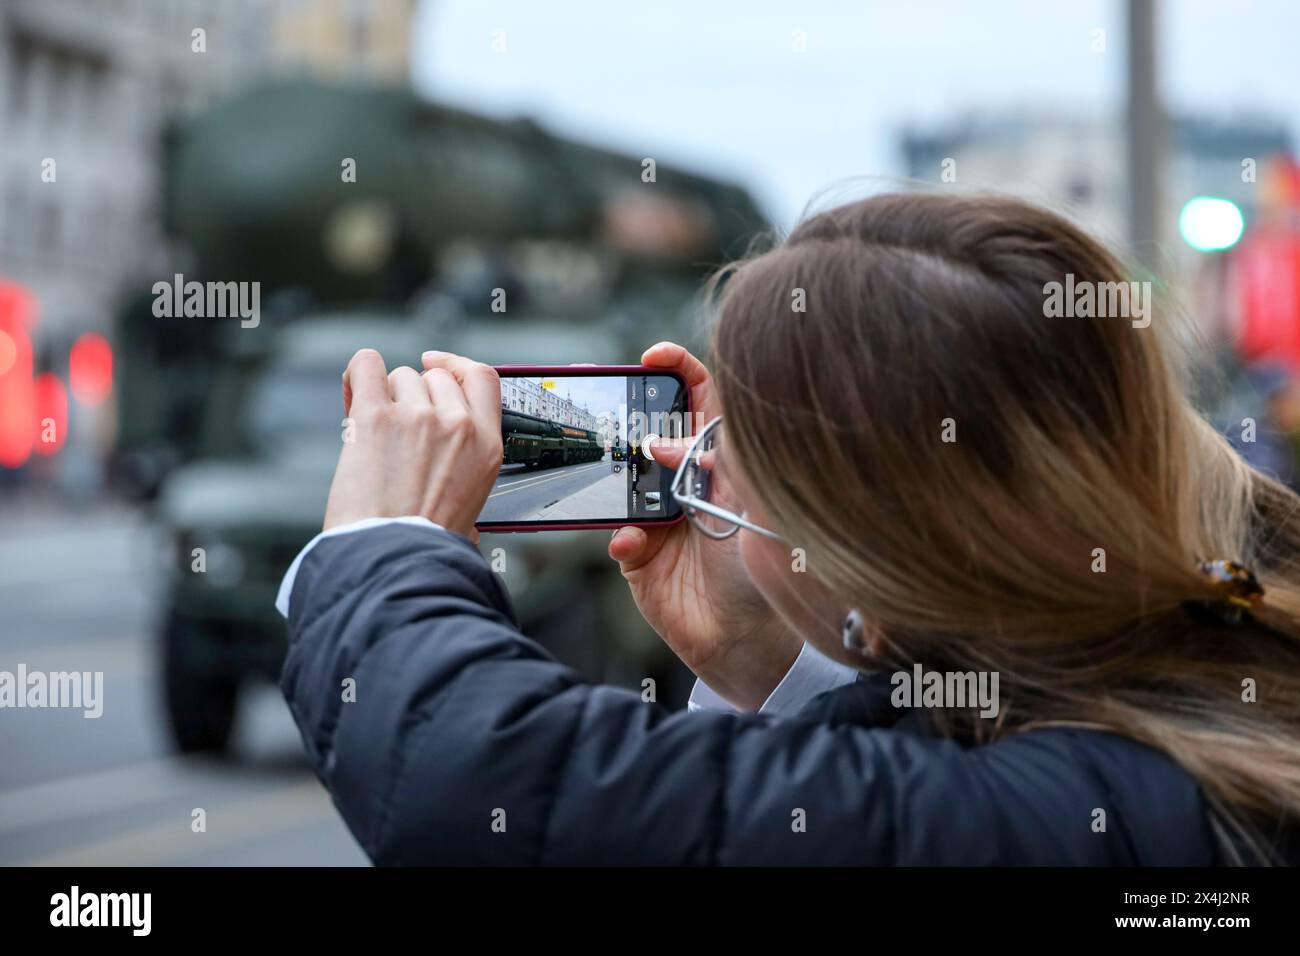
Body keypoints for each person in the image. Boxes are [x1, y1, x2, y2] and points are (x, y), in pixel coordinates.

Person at [277, 192, 1300, 865]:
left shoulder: (1088, 815)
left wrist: (381, 543)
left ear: (874, 539)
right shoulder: (1176, 695)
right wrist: (760, 659)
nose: (701, 459)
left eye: (744, 444)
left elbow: (485, 781)